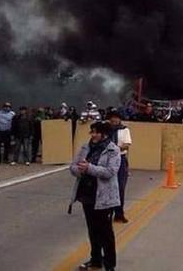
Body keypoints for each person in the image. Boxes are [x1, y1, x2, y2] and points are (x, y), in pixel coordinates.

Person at [69, 121, 120, 271]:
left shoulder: (113, 150)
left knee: (106, 233)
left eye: (96, 132)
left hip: (104, 197)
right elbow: (73, 166)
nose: (93, 135)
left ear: (104, 134)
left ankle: (110, 264)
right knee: (92, 230)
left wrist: (89, 168)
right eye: (92, 132)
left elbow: (110, 172)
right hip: (87, 195)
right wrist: (80, 169)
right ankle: (96, 259)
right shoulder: (86, 147)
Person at [107, 111, 132, 223]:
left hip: (120, 159)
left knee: (120, 188)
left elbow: (126, 145)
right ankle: (107, 213)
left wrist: (115, 148)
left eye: (116, 118)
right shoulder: (105, 130)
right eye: (112, 118)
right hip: (107, 160)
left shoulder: (124, 130)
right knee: (107, 187)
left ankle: (119, 213)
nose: (114, 120)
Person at [0, 102, 15, 174]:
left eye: (8, 107)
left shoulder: (12, 114)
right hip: (0, 131)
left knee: (7, 146)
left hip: (7, 132)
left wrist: (13, 133)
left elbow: (14, 123)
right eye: (5, 106)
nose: (7, 108)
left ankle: (6, 158)